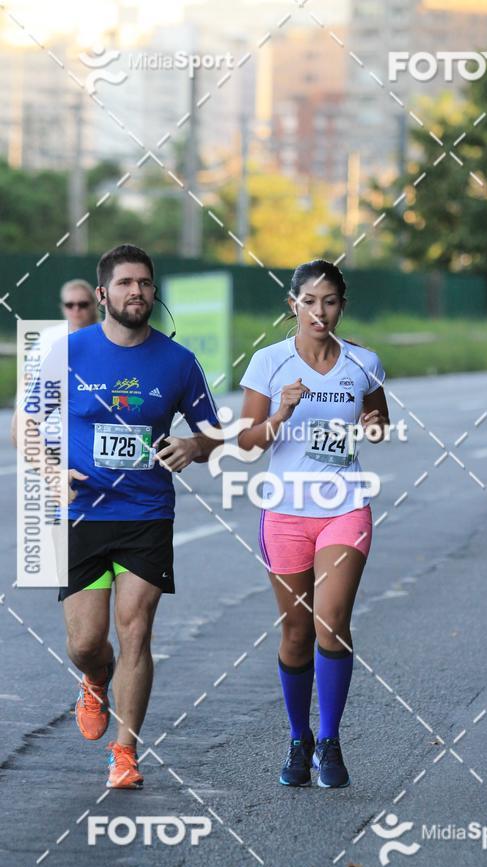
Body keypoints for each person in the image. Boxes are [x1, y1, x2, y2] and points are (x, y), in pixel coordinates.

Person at [61, 244, 222, 789]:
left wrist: (193, 448)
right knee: (86, 643)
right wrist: (48, 469)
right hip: (85, 512)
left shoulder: (178, 362)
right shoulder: (71, 352)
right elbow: (27, 426)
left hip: (147, 513)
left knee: (137, 629)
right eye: (127, 283)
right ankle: (93, 677)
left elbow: (213, 435)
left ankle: (124, 752)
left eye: (146, 283)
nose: (138, 292)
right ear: (103, 294)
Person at [238, 259, 389, 789]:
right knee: (297, 632)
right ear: (293, 305)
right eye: (310, 301)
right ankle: (298, 738)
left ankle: (330, 739)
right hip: (284, 510)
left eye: (330, 301)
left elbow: (377, 426)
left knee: (331, 620)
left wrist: (373, 428)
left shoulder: (363, 363)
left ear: (341, 305)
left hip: (345, 507)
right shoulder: (269, 362)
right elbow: (246, 440)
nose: (319, 311)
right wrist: (278, 415)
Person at [10, 279, 98, 447]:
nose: (76, 309)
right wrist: (21, 419)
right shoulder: (48, 337)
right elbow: (29, 379)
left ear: (94, 305)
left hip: (92, 430)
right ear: (62, 307)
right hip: (52, 433)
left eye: (83, 304)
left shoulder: (109, 338)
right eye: (70, 304)